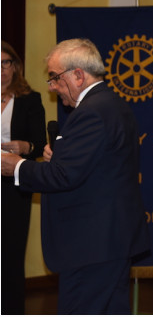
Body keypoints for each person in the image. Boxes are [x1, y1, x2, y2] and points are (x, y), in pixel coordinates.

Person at [1, 38, 150, 314]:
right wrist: (58, 158)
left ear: (78, 75)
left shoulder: (92, 112)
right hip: (106, 242)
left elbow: (63, 177)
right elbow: (94, 167)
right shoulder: (109, 103)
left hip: (92, 246)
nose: (53, 87)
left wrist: (17, 166)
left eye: (55, 79)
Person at [1, 41, 47, 314]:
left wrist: (25, 147)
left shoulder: (30, 99)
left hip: (12, 187)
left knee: (10, 254)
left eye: (6, 63)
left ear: (15, 66)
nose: (2, 70)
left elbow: (41, 144)